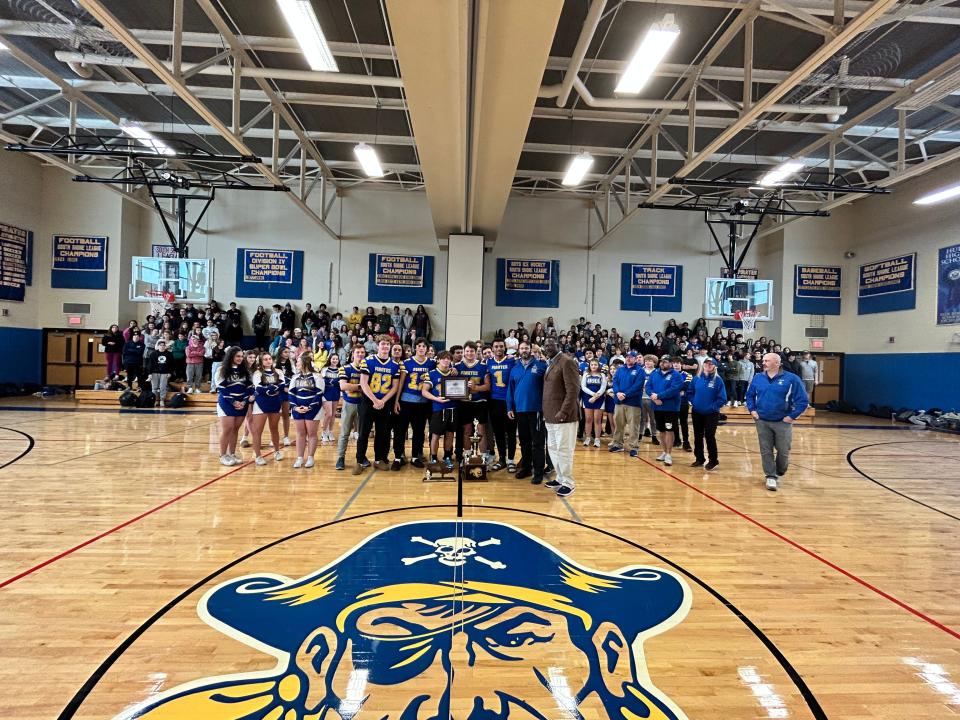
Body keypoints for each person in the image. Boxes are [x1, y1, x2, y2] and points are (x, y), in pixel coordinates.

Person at [745, 352, 809, 491]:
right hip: (762, 420)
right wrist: (752, 410)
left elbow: (803, 401)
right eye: (763, 360)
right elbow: (749, 396)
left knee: (783, 450)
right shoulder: (758, 377)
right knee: (766, 450)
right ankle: (771, 476)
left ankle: (780, 469)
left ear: (777, 363)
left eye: (766, 360)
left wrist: (792, 416)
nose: (763, 362)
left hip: (783, 421)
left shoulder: (792, 379)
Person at [354, 336, 400, 474]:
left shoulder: (395, 365)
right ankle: (359, 461)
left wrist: (383, 401)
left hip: (384, 403)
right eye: (383, 344)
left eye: (387, 344)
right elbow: (363, 383)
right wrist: (375, 400)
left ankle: (379, 459)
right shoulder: (368, 361)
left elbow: (395, 386)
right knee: (363, 433)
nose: (385, 346)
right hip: (368, 402)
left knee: (382, 433)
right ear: (377, 346)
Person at [541, 337, 580, 497]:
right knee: (553, 449)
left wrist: (564, 411)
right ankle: (560, 477)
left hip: (564, 416)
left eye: (551, 345)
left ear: (559, 345)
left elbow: (573, 390)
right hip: (550, 415)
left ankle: (569, 483)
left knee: (564, 450)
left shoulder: (567, 361)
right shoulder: (550, 362)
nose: (548, 348)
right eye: (546, 345)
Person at [506, 341, 546, 484]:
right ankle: (526, 467)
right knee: (524, 442)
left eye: (526, 348)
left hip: (536, 410)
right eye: (522, 348)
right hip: (520, 410)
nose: (524, 350)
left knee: (538, 442)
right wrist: (509, 407)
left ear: (531, 350)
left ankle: (539, 471)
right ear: (518, 350)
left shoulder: (541, 365)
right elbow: (510, 390)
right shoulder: (515, 368)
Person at [395, 338, 434, 469]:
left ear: (427, 349)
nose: (421, 348)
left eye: (424, 346)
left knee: (419, 431)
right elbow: (400, 383)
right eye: (419, 346)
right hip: (406, 400)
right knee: (401, 430)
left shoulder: (432, 364)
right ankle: (398, 456)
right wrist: (397, 400)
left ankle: (415, 456)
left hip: (423, 402)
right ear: (415, 348)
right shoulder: (406, 363)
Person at [687, 357, 726, 470]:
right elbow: (689, 392)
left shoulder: (718, 380)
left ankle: (713, 460)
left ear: (714, 366)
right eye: (706, 364)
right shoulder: (696, 379)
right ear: (703, 365)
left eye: (711, 364)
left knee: (709, 436)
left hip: (711, 413)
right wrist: (694, 402)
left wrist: (712, 407)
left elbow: (722, 398)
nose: (708, 366)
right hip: (697, 412)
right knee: (698, 436)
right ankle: (699, 459)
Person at [421, 351, 458, 470]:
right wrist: (436, 399)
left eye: (448, 359)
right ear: (438, 360)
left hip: (452, 408)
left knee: (450, 435)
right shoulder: (431, 374)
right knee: (435, 435)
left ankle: (447, 456)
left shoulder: (454, 373)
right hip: (438, 409)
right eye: (444, 358)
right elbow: (424, 391)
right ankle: (433, 457)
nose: (446, 361)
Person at [454, 341, 490, 462]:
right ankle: (467, 456)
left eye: (472, 351)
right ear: (464, 352)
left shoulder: (483, 366)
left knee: (481, 430)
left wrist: (476, 388)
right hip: (464, 403)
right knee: (467, 430)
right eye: (467, 351)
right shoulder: (457, 367)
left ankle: (484, 456)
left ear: (476, 352)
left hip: (479, 402)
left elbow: (487, 386)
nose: (469, 353)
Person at [287, 351, 324, 468]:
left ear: (305, 363)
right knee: (300, 434)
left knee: (312, 434)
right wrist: (296, 407)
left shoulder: (317, 376)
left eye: (298, 361)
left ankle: (310, 457)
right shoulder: (295, 377)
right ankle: (299, 458)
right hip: (297, 409)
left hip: (313, 409)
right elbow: (291, 393)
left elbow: (319, 394)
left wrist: (309, 407)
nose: (297, 363)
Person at [645, 355, 684, 467]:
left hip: (671, 407)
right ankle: (664, 451)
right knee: (661, 430)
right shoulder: (654, 373)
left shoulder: (676, 375)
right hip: (657, 406)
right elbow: (648, 387)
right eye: (661, 362)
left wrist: (659, 396)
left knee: (669, 429)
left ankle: (669, 454)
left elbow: (674, 389)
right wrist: (654, 397)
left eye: (665, 362)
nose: (662, 363)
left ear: (671, 363)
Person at [215, 346, 251, 466]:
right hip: (227, 403)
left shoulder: (245, 370)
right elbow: (221, 388)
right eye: (237, 356)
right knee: (227, 429)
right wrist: (234, 402)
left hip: (242, 403)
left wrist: (244, 401)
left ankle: (232, 453)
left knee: (235, 429)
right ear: (231, 356)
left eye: (241, 356)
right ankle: (223, 455)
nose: (240, 358)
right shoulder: (222, 369)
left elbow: (249, 388)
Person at [250, 352, 286, 467]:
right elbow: (258, 388)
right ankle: (258, 455)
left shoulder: (279, 372)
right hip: (261, 403)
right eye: (265, 359)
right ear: (261, 361)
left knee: (274, 428)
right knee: (257, 430)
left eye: (269, 359)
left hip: (275, 402)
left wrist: (269, 388)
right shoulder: (257, 373)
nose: (268, 361)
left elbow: (282, 385)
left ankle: (276, 451)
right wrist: (272, 388)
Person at [486, 339, 516, 471]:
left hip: (510, 401)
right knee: (498, 432)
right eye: (496, 346)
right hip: (494, 401)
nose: (499, 348)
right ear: (492, 349)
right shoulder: (488, 362)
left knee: (510, 432)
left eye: (501, 346)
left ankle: (511, 460)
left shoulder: (512, 361)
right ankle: (502, 458)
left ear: (505, 348)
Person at [334, 345, 366, 471]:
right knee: (345, 432)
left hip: (363, 404)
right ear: (353, 354)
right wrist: (361, 385)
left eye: (362, 352)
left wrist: (353, 386)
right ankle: (341, 457)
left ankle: (361, 456)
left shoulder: (367, 368)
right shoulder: (345, 368)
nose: (360, 354)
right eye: (358, 352)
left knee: (363, 433)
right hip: (349, 403)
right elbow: (343, 386)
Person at [609, 351, 645, 455]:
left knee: (633, 425)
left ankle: (634, 447)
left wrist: (625, 394)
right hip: (619, 402)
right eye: (627, 357)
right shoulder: (620, 370)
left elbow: (637, 386)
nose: (629, 359)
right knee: (619, 425)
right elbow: (615, 382)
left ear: (635, 359)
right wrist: (617, 392)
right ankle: (617, 444)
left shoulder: (640, 371)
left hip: (633, 403)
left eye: (631, 357)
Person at [579, 359, 606, 448]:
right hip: (587, 399)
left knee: (597, 420)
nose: (593, 366)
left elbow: (603, 387)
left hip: (599, 399)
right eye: (592, 365)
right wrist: (592, 395)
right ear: (589, 366)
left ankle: (597, 439)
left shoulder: (602, 375)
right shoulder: (586, 374)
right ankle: (588, 438)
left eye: (595, 364)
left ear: (598, 366)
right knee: (588, 420)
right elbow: (583, 387)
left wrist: (595, 396)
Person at [319, 352, 341, 443]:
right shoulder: (325, 369)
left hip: (335, 392)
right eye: (333, 359)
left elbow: (340, 381)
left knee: (333, 414)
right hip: (326, 392)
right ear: (330, 359)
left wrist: (331, 381)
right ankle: (323, 432)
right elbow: (323, 381)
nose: (335, 360)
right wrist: (334, 381)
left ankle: (330, 432)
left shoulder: (340, 370)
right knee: (328, 414)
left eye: (336, 359)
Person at [672, 358, 693, 452]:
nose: (676, 365)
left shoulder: (687, 375)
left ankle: (686, 441)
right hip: (671, 401)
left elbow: (686, 386)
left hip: (683, 401)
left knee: (684, 422)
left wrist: (673, 388)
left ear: (681, 364)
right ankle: (676, 439)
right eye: (674, 363)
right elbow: (667, 386)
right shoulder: (669, 374)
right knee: (674, 422)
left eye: (678, 363)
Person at [146, 338, 174, 407]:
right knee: (154, 388)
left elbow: (172, 365)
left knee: (163, 387)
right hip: (154, 373)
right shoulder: (153, 354)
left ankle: (162, 400)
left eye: (163, 345)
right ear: (158, 346)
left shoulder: (169, 354)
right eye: (160, 345)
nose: (162, 346)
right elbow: (150, 365)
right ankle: (155, 400)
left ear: (165, 346)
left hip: (164, 373)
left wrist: (170, 372)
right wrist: (149, 374)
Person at [639, 354, 660, 445]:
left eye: (650, 361)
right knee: (641, 418)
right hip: (641, 397)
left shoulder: (658, 372)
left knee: (653, 419)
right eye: (646, 361)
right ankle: (639, 434)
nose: (647, 362)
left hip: (652, 398)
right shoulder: (641, 371)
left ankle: (654, 436)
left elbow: (659, 385)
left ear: (654, 363)